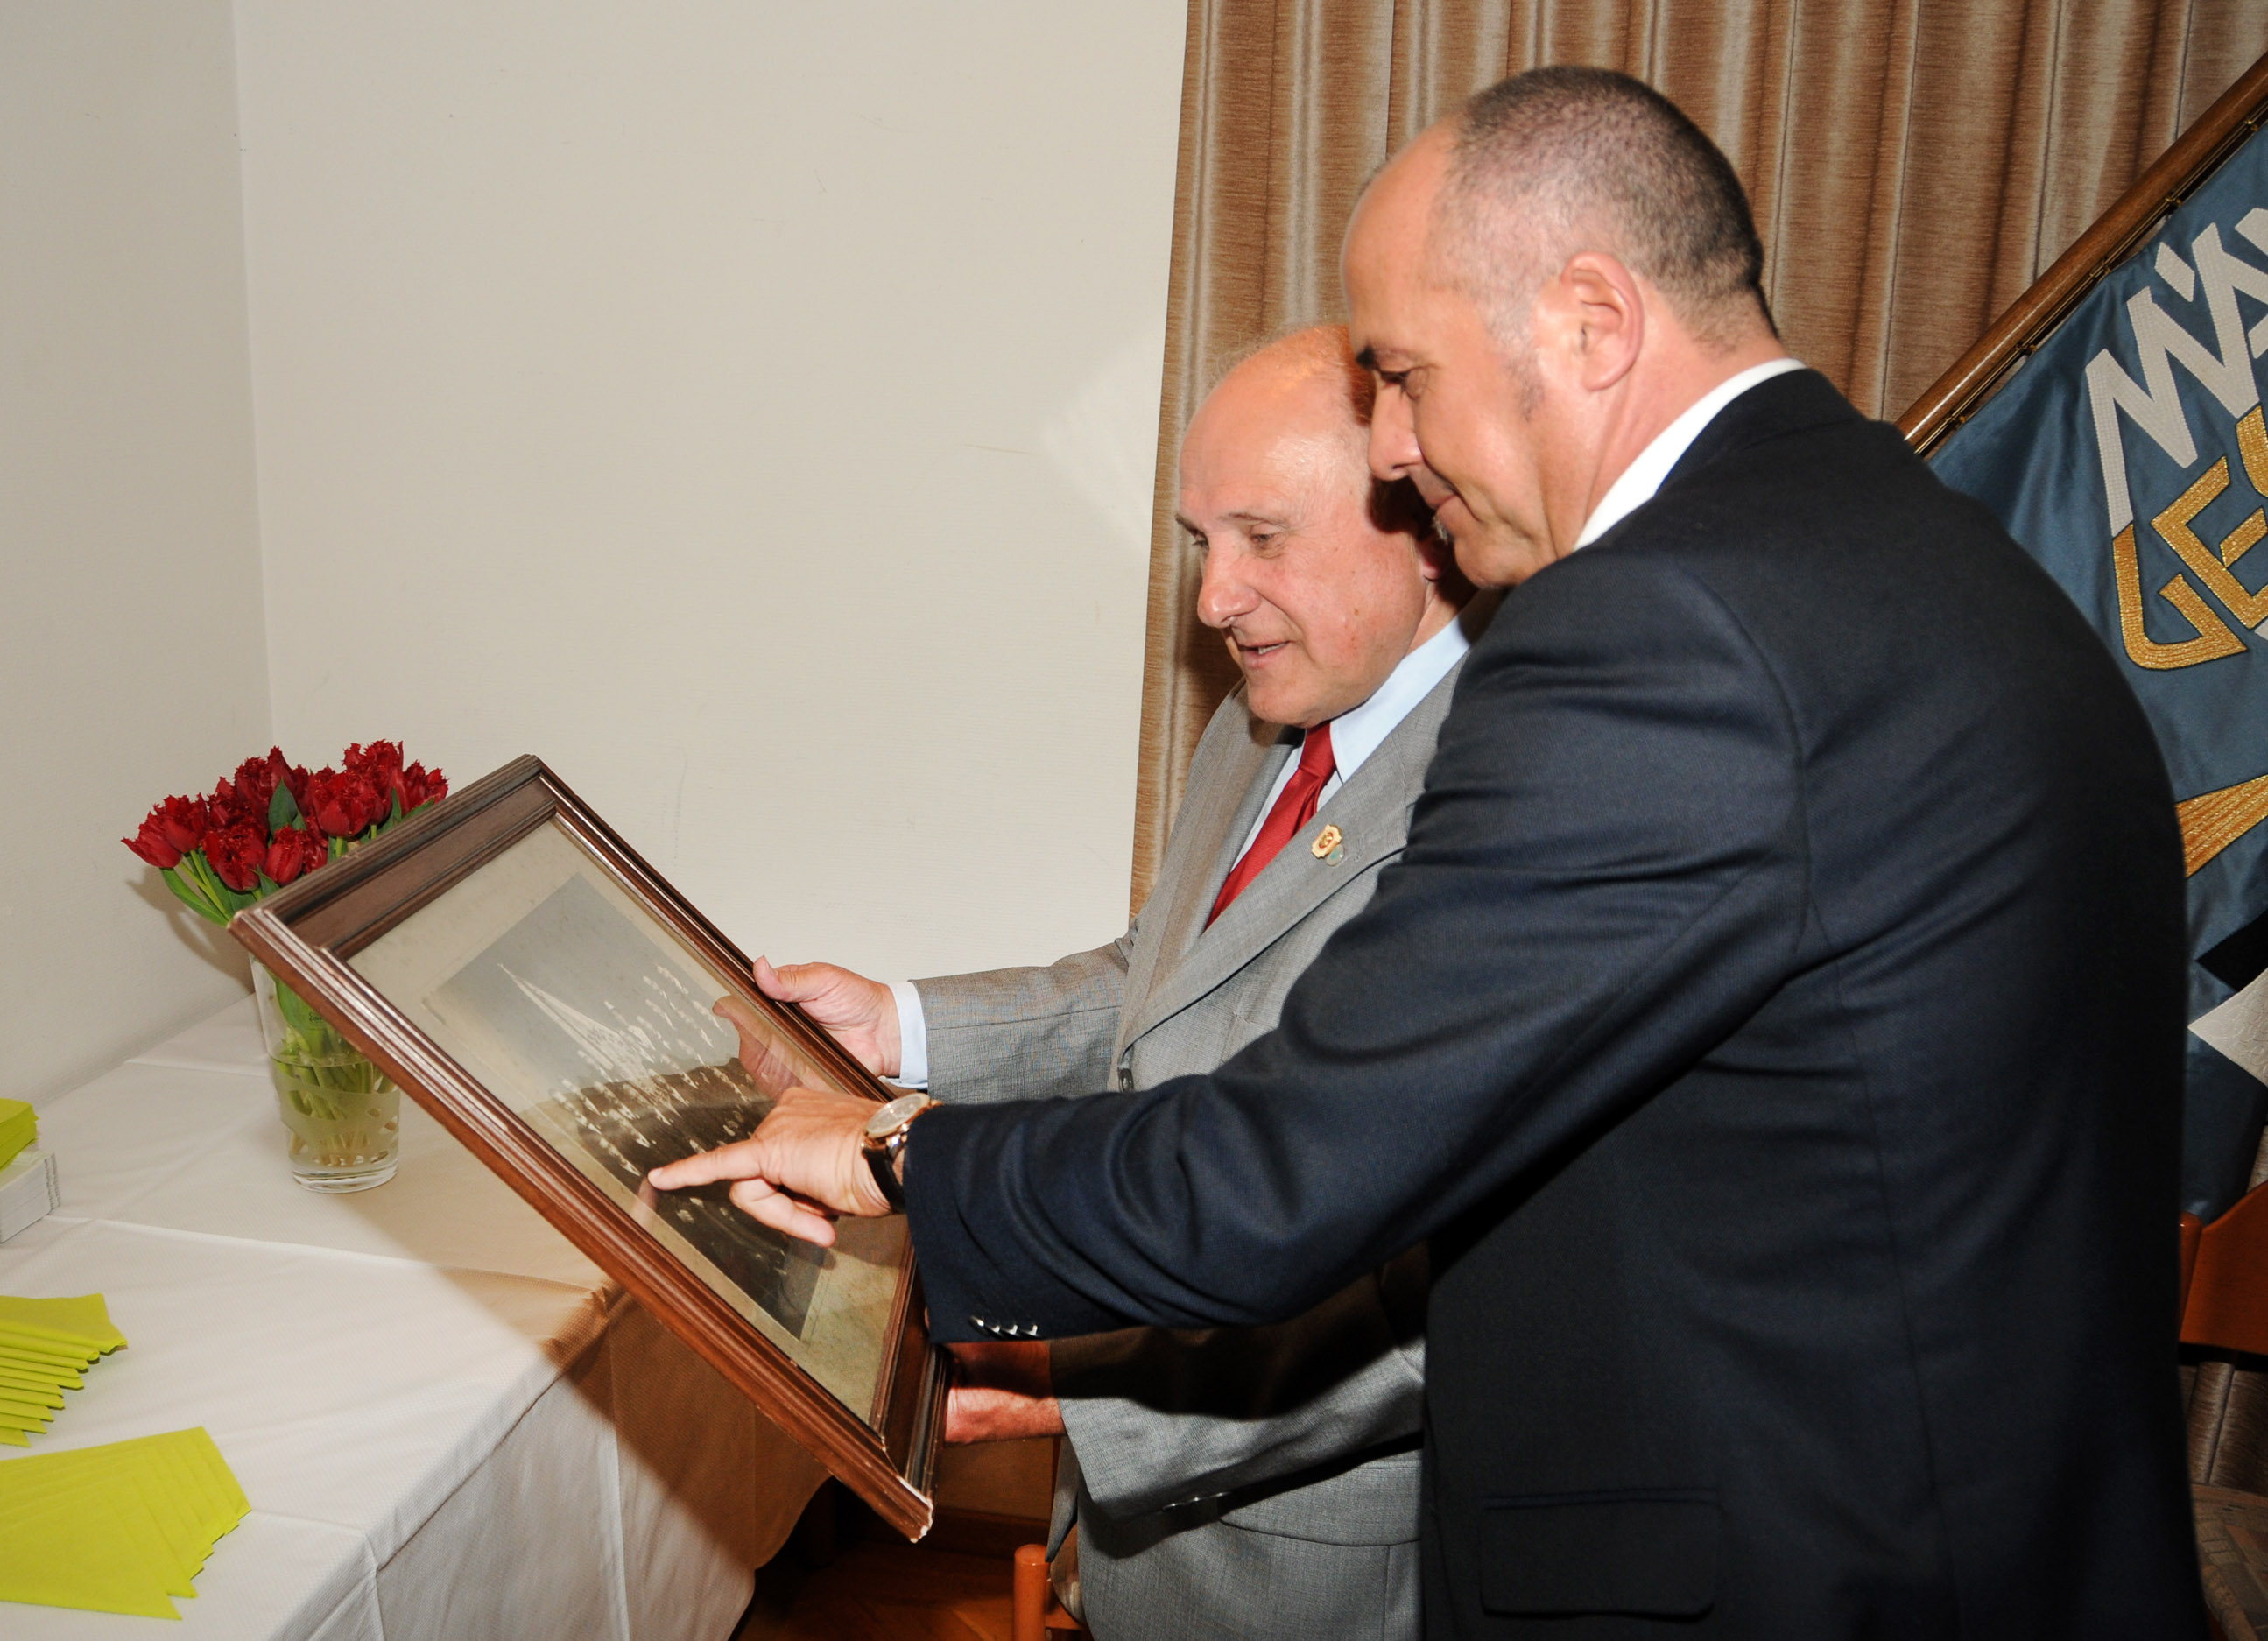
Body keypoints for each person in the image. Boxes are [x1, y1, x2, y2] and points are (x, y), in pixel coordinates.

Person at [656, 69, 2203, 1635]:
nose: (1391, 446)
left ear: (1589, 323)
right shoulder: (1914, 549)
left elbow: (1282, 1169)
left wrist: (896, 1150)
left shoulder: (1662, 627)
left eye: (1403, 373)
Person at [743, 326, 1478, 1639]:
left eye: (1263, 538)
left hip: (1318, 1571)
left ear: (1425, 529)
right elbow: (1165, 984)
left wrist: (1079, 1389)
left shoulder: (1506, 791)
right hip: (1140, 1546)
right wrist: (901, 1025)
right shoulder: (1263, 716)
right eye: (1202, 541)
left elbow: (1442, 1296)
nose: (1213, 599)